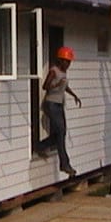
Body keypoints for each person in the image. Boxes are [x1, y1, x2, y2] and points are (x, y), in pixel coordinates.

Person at [36, 46, 81, 177]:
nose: (68, 64)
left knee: (60, 134)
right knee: (60, 132)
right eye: (66, 61)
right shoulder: (54, 71)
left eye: (69, 62)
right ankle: (65, 164)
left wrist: (74, 95)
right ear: (60, 60)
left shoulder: (64, 73)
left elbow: (65, 86)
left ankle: (40, 146)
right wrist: (56, 85)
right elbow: (45, 86)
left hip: (59, 105)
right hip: (51, 104)